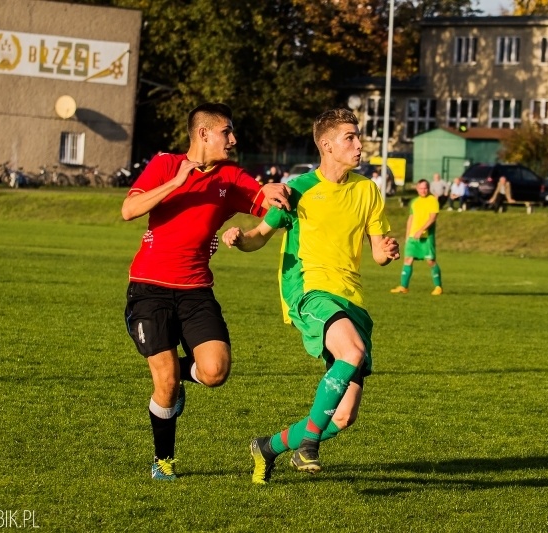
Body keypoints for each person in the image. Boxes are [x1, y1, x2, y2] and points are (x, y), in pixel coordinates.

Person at [221, 108, 399, 484]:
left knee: (344, 416)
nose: (359, 144)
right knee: (352, 352)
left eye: (358, 136)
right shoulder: (298, 189)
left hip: (352, 300)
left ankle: (268, 446)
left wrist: (388, 250)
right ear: (326, 145)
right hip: (310, 290)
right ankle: (308, 447)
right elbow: (259, 236)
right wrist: (239, 238)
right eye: (350, 137)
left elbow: (379, 254)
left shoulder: (368, 190)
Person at [121, 103, 291, 481]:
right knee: (165, 382)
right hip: (149, 289)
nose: (233, 139)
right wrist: (176, 182)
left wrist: (276, 191)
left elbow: (269, 203)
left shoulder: (231, 176)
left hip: (196, 291)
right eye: (226, 131)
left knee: (215, 371)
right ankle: (163, 460)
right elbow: (129, 210)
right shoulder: (165, 164)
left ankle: (174, 375)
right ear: (203, 134)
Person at [390, 179, 443, 295]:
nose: (423, 190)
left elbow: (432, 218)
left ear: (428, 188)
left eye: (425, 188)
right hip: (413, 237)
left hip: (426, 237)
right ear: (417, 189)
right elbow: (411, 218)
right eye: (421, 188)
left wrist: (421, 230)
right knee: (407, 259)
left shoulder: (433, 200)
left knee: (430, 261)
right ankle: (403, 287)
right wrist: (407, 235)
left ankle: (438, 287)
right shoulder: (414, 202)